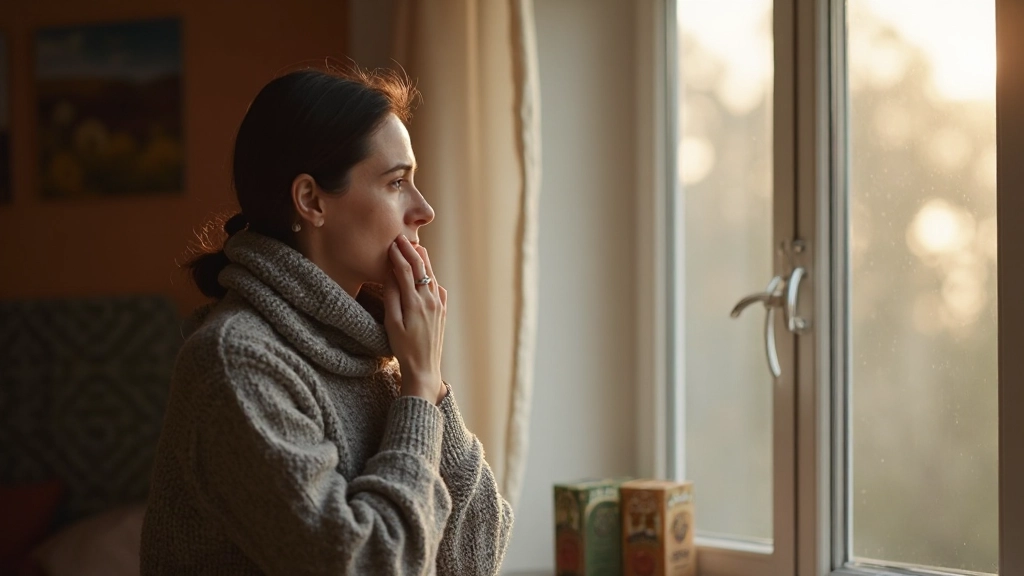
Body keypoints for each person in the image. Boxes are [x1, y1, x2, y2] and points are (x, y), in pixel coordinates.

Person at [140, 66, 514, 575]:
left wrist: (427, 384)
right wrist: (420, 390)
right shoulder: (235, 363)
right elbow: (367, 565)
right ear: (312, 200)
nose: (424, 209)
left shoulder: (378, 353)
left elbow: (476, 557)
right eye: (397, 182)